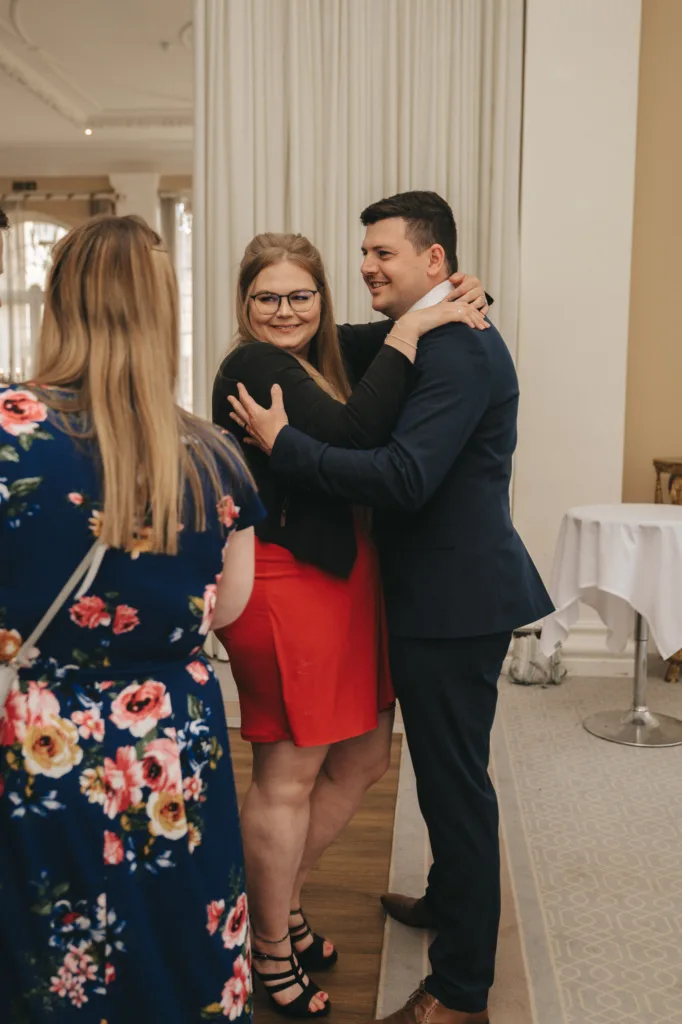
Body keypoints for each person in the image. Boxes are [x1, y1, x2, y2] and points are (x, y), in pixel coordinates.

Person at [227, 191, 554, 1024]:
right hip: (417, 594)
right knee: (445, 777)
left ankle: (460, 989)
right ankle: (450, 900)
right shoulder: (412, 338)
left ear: (434, 262)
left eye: (384, 254)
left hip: (453, 599)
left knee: (454, 790)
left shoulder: (457, 354)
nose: (366, 265)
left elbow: (404, 476)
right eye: (363, 254)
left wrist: (286, 446)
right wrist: (432, 312)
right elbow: (341, 355)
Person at [0, 215, 265, 1023]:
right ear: (162, 312)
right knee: (177, 940)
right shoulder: (214, 452)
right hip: (173, 741)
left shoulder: (10, 428)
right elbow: (236, 605)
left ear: (60, 306)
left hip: (40, 739)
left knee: (51, 953)